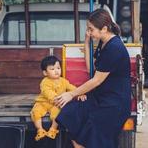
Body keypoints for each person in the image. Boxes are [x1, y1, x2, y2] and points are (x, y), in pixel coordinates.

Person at [55, 9, 131, 148]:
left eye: (91, 29)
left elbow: (96, 80)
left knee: (93, 134)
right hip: (101, 97)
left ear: (104, 29)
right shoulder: (104, 43)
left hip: (114, 103)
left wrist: (71, 93)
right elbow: (92, 68)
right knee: (69, 113)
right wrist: (86, 42)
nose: (89, 32)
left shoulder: (114, 47)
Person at [30, 56, 87, 141]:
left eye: (58, 68)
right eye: (52, 69)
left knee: (58, 114)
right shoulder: (45, 82)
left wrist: (79, 93)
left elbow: (71, 87)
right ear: (45, 72)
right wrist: (58, 99)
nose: (56, 71)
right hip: (43, 102)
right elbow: (48, 93)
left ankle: (53, 129)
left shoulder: (63, 81)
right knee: (36, 112)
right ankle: (40, 129)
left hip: (56, 104)